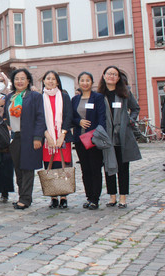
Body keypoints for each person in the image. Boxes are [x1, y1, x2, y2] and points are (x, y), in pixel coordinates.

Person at [98, 65, 142, 209]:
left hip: (122, 136)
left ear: (118, 78)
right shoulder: (99, 94)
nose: (111, 76)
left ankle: (123, 197)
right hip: (106, 137)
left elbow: (135, 108)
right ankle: (112, 197)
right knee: (109, 167)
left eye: (114, 74)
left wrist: (131, 120)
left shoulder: (125, 92)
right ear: (104, 76)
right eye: (109, 73)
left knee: (123, 168)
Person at [2, 68, 46, 210]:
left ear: (28, 81)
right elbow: (7, 116)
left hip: (29, 137)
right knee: (18, 169)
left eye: (22, 78)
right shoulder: (10, 97)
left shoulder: (34, 96)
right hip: (14, 137)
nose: (19, 81)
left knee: (28, 168)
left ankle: (26, 199)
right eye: (16, 79)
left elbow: (40, 117)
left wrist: (38, 137)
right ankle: (22, 195)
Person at [72, 72, 106, 210]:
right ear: (78, 82)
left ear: (92, 82)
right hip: (80, 139)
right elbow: (71, 117)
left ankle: (95, 199)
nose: (85, 83)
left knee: (95, 169)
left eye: (88, 80)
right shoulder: (75, 99)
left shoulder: (98, 98)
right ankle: (89, 197)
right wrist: (79, 121)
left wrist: (96, 134)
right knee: (85, 169)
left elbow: (102, 118)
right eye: (82, 80)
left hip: (93, 139)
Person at [41, 70, 74, 209]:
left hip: (62, 137)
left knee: (63, 165)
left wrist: (62, 135)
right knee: (50, 166)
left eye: (53, 79)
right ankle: (53, 196)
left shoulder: (64, 97)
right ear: (43, 81)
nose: (51, 81)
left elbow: (68, 115)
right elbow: (39, 118)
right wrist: (47, 135)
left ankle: (64, 196)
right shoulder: (40, 98)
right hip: (47, 138)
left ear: (57, 81)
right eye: (48, 78)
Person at [0, 72, 14, 203]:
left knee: (6, 163)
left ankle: (5, 191)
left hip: (6, 133)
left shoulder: (10, 96)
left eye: (1, 80)